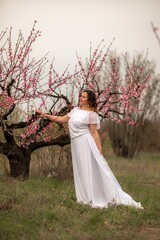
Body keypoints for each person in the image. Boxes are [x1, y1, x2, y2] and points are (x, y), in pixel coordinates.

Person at [36, 89, 143, 209]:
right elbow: (61, 119)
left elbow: (94, 133)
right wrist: (45, 115)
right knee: (81, 169)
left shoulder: (91, 114)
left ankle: (96, 196)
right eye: (80, 96)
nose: (80, 98)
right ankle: (84, 197)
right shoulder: (75, 111)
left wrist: (99, 148)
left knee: (90, 168)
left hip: (86, 144)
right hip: (76, 144)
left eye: (83, 97)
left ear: (89, 100)